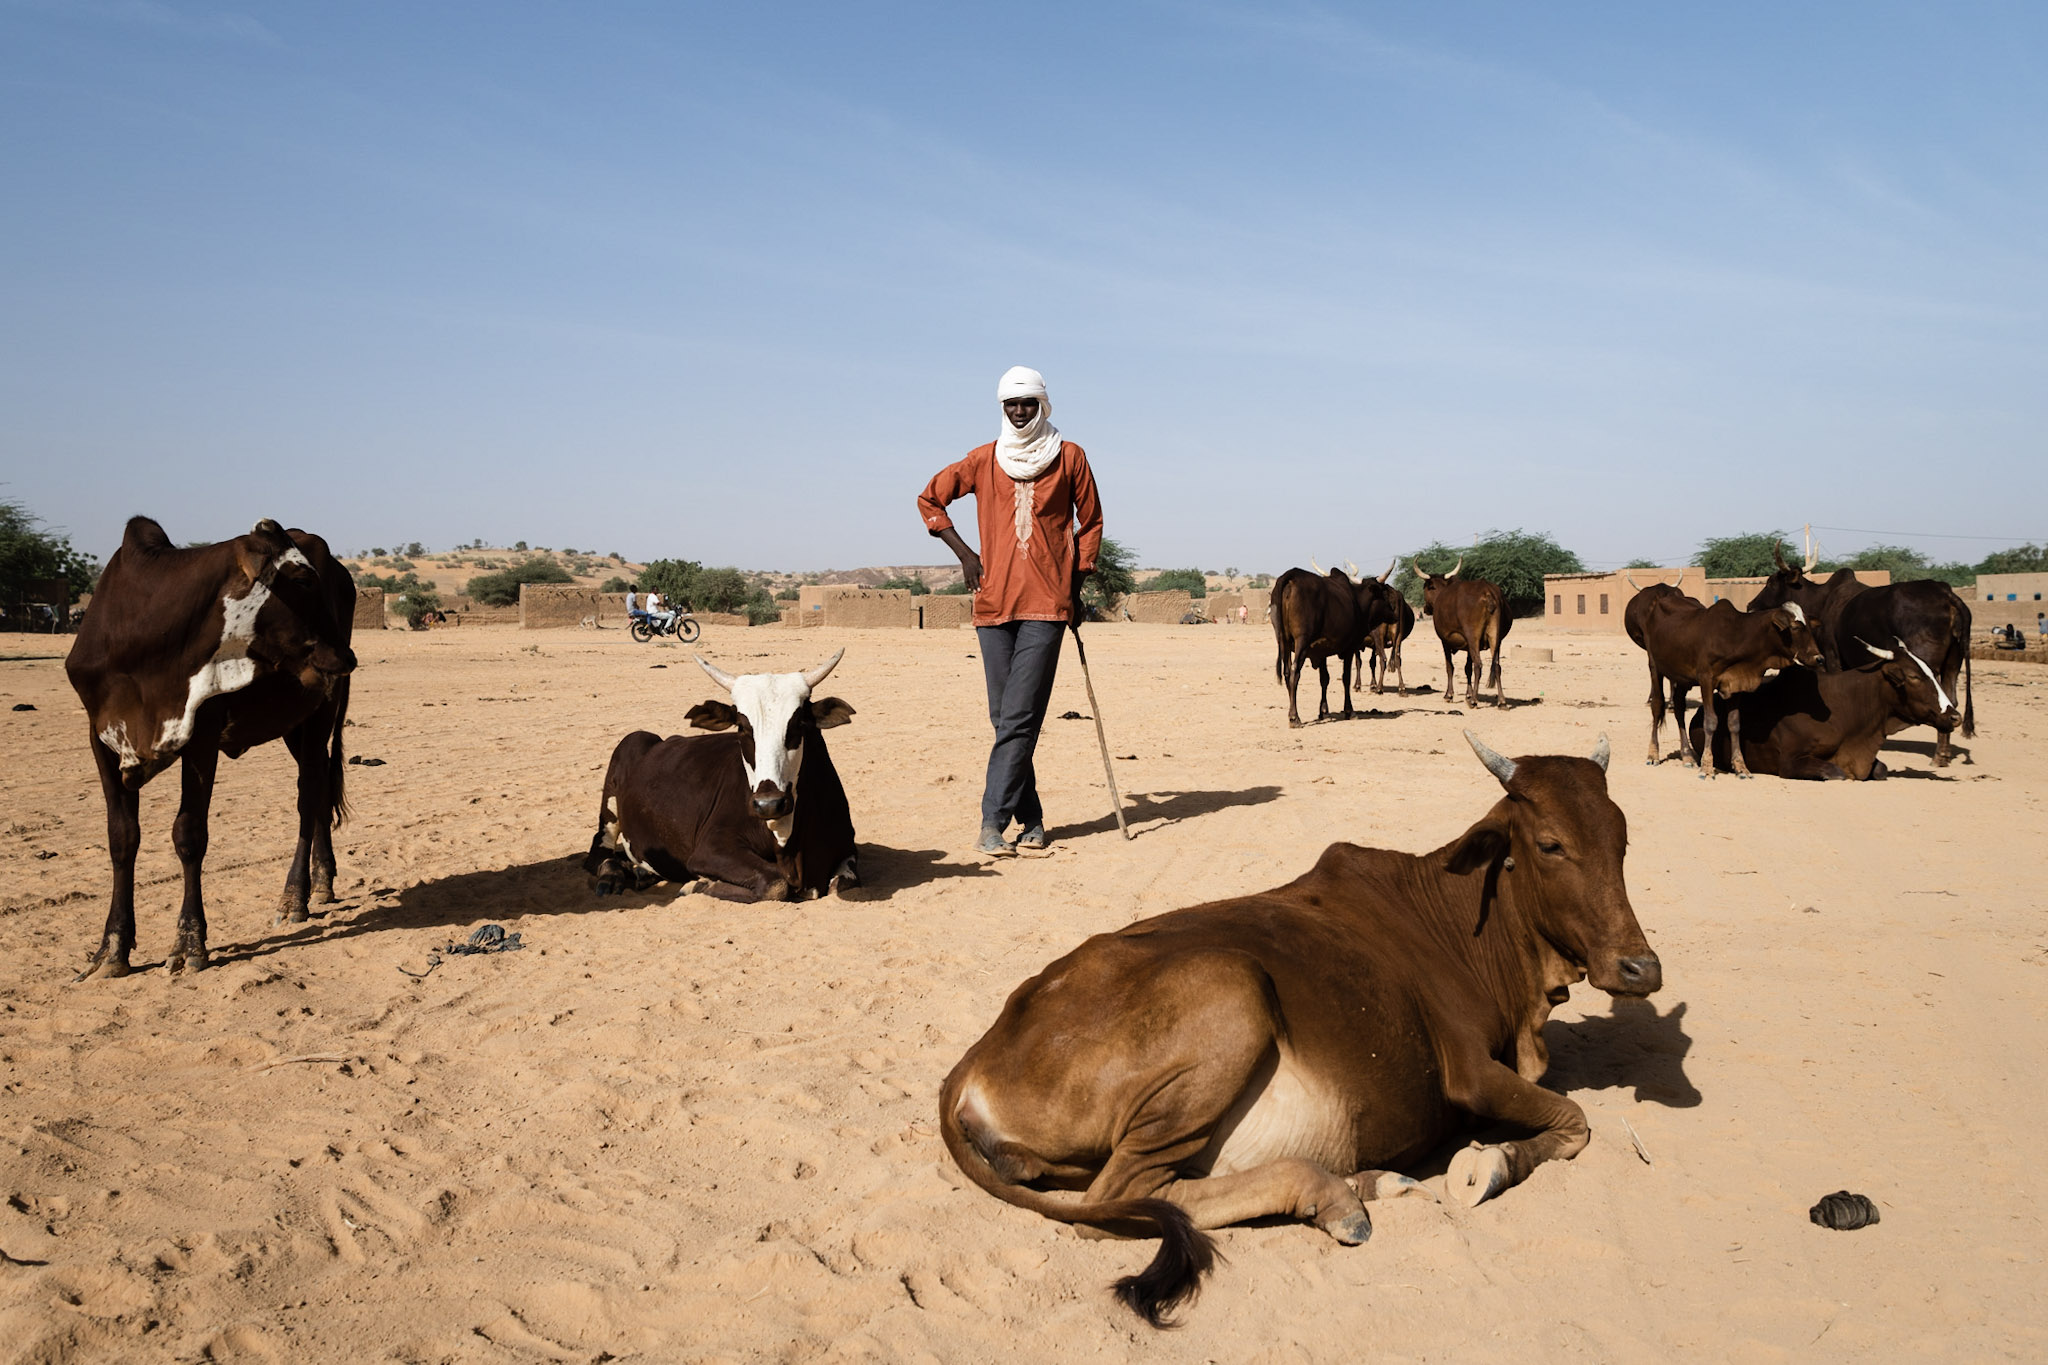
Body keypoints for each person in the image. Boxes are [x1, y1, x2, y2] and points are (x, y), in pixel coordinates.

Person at [918, 366, 1104, 857]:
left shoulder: (1070, 457)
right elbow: (930, 499)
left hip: (1047, 604)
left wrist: (1076, 582)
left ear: (1043, 405)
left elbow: (1092, 522)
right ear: (1002, 408)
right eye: (1011, 404)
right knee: (1004, 717)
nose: (1020, 412)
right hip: (993, 600)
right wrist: (966, 554)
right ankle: (1034, 819)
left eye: (1028, 403)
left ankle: (991, 822)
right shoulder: (984, 459)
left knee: (1020, 715)